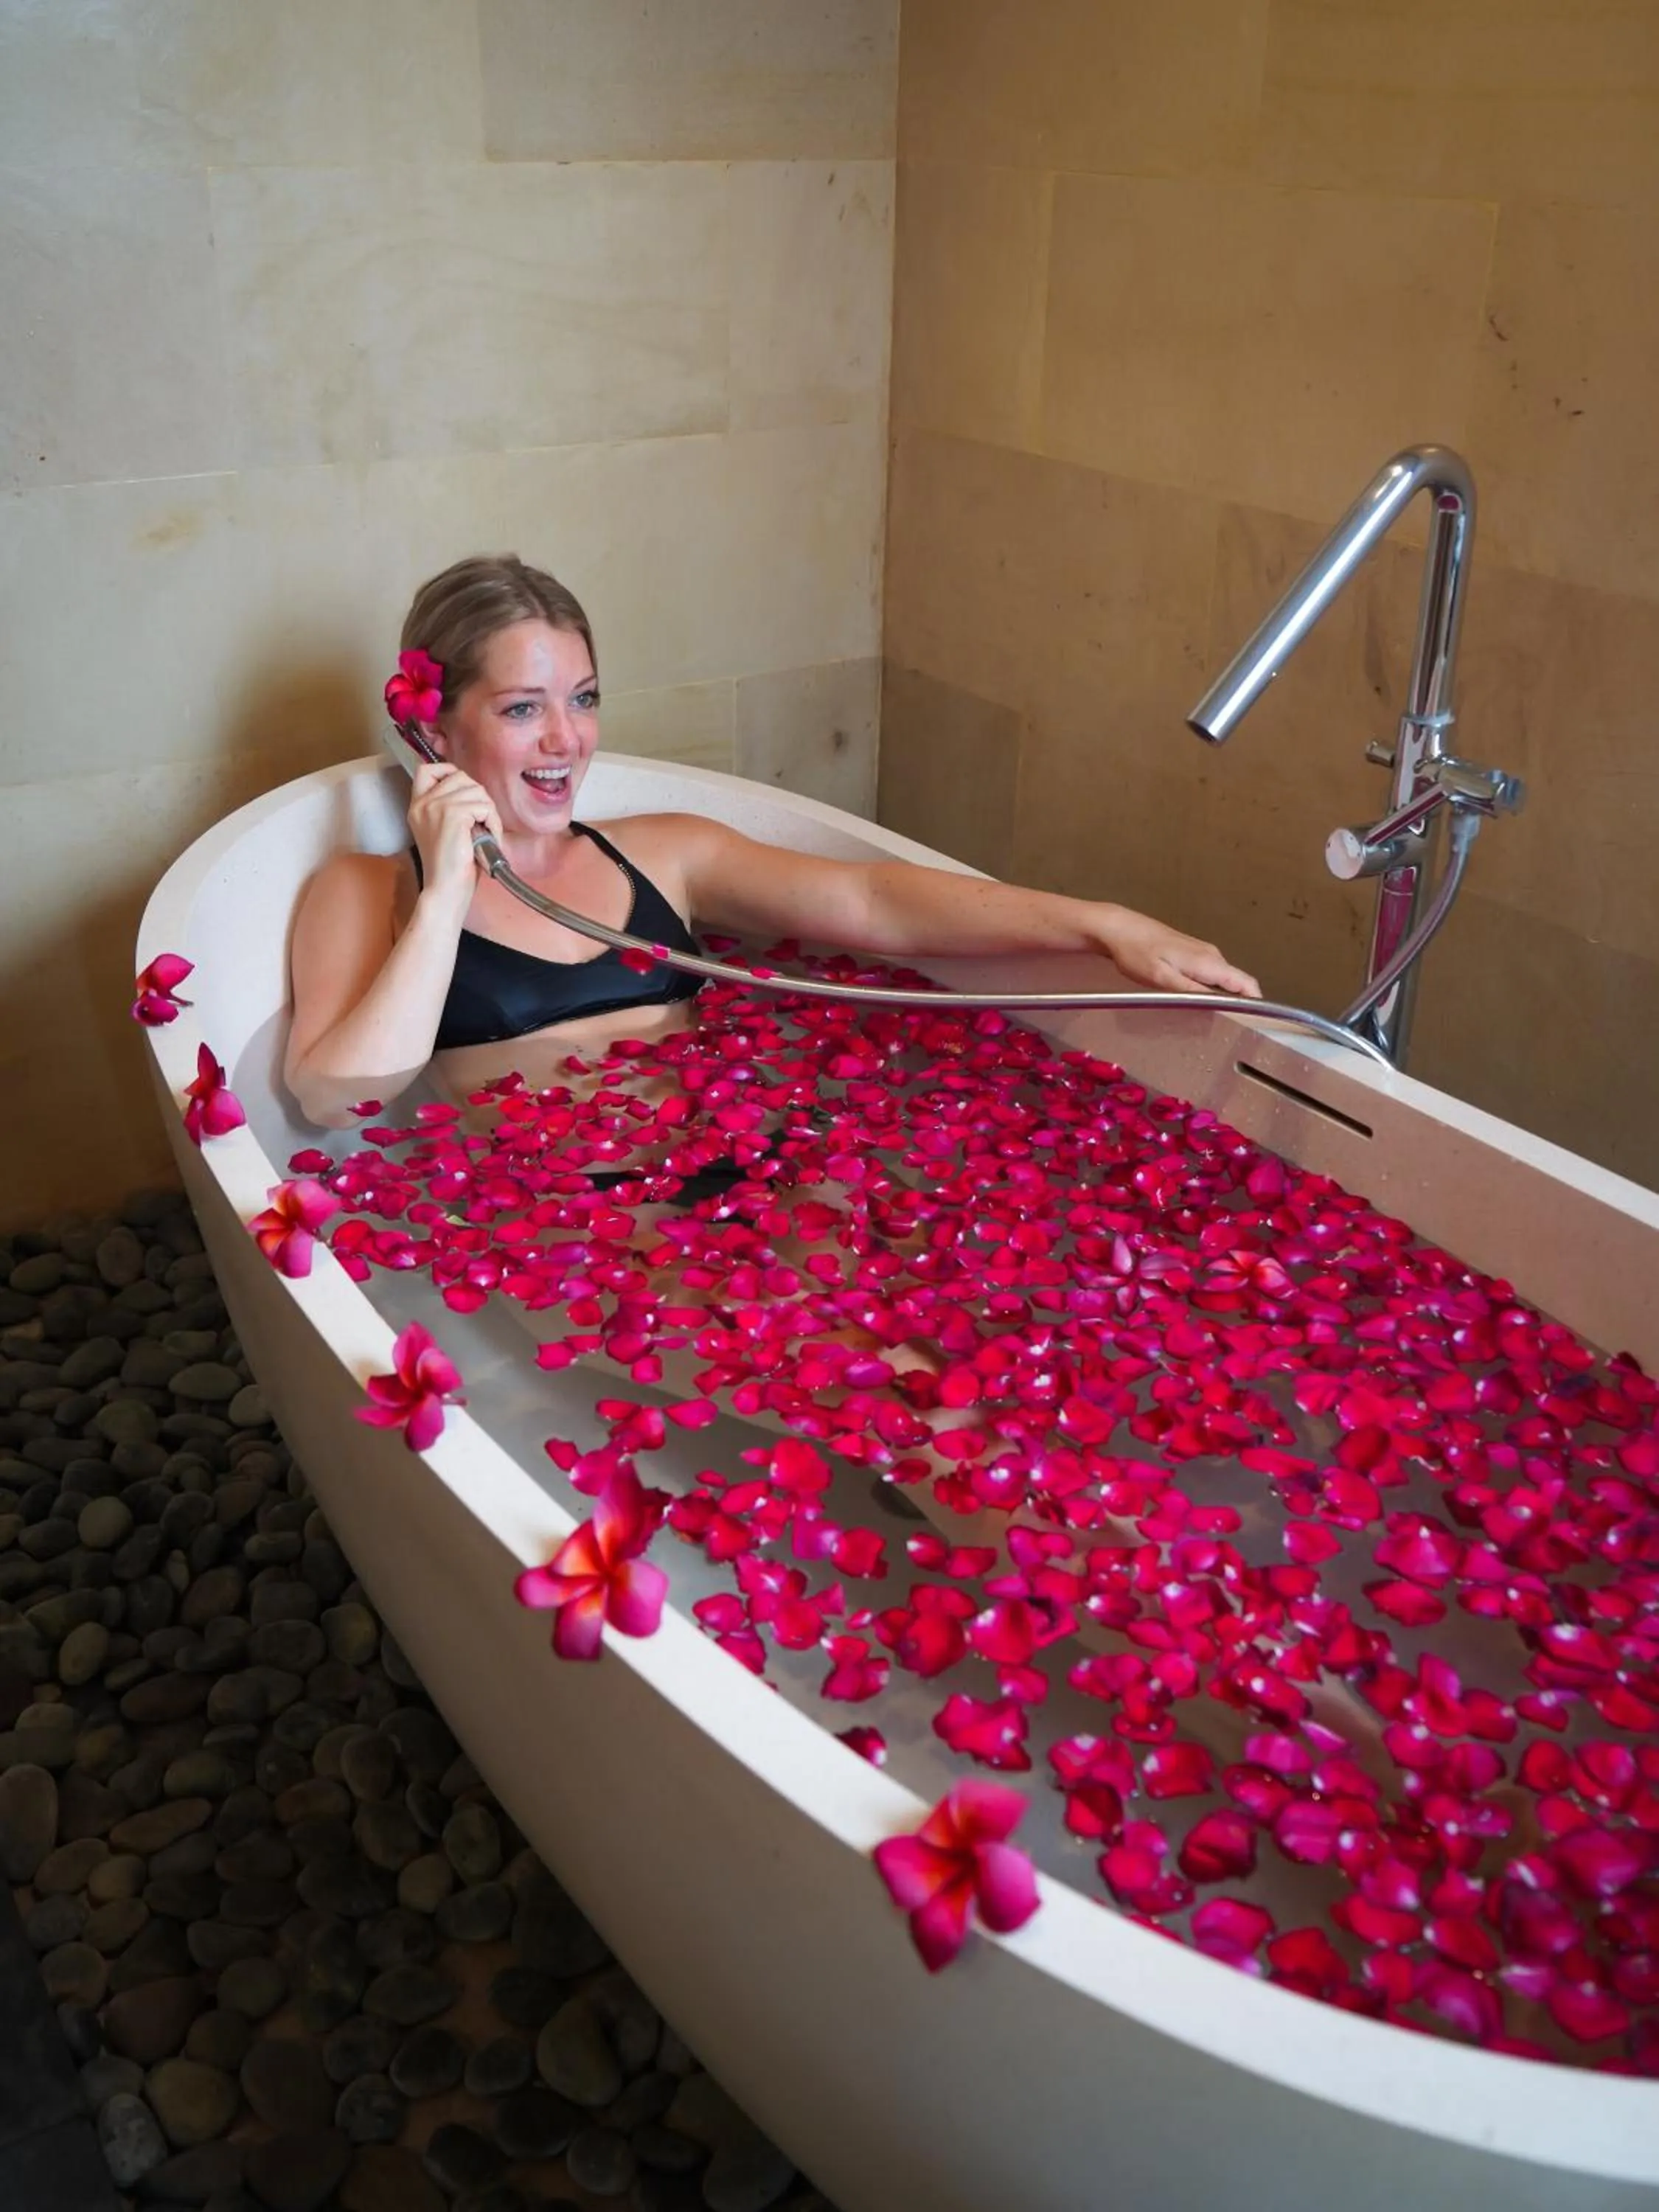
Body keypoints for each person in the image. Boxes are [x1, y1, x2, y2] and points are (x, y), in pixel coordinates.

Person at [285, 555, 1260, 1129]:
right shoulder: (373, 894)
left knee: (947, 1394)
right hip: (585, 1228)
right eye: (520, 708)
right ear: (432, 729)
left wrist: (1102, 924)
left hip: (758, 1169)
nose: (565, 739)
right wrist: (449, 888)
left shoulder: (662, 853)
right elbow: (334, 1097)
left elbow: (873, 905)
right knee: (905, 1406)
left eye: (582, 700)